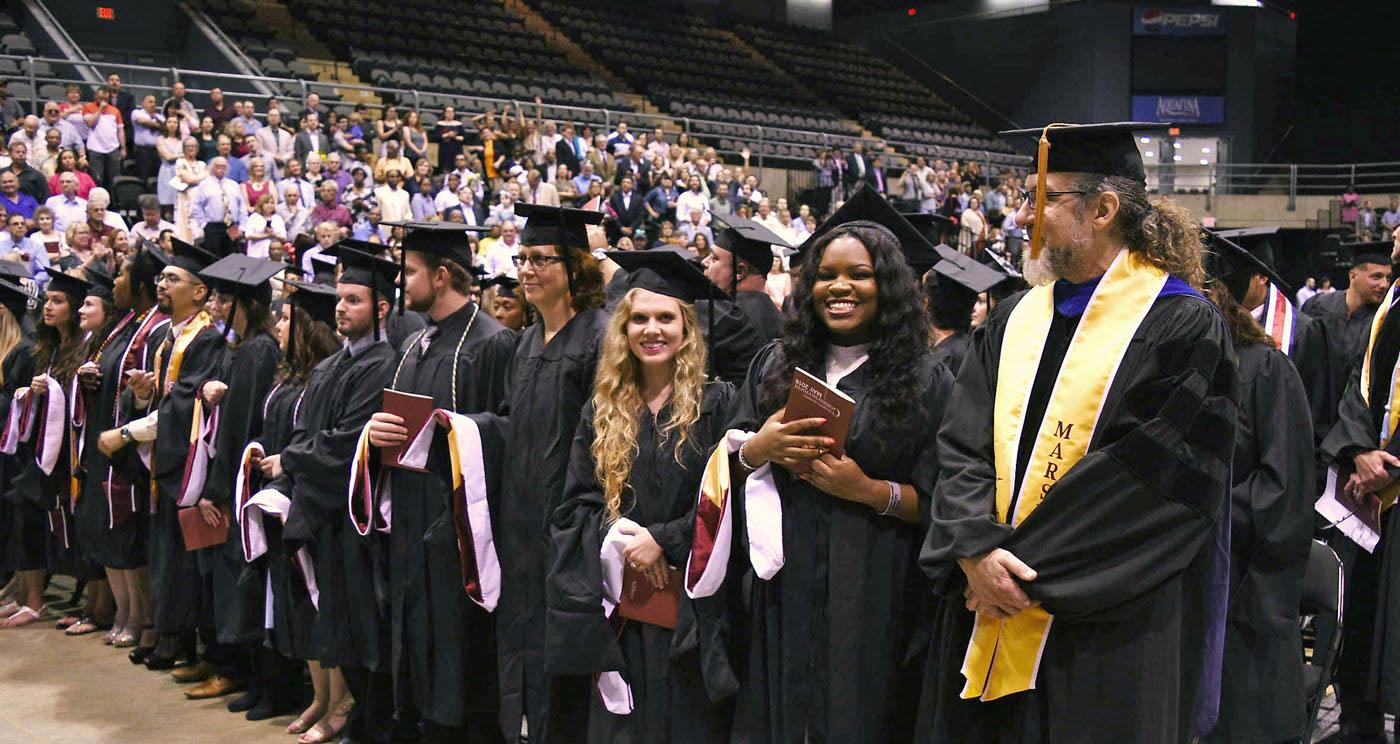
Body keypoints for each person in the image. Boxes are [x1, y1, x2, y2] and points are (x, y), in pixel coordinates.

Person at [919, 123, 1238, 744]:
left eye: (1042, 197)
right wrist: (974, 551)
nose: (1021, 216)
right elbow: (961, 445)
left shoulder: (1183, 326)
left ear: (1103, 209)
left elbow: (1155, 485)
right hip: (987, 596)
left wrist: (1014, 575)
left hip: (1105, 622)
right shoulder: (1017, 316)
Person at [547, 249, 738, 743]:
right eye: (639, 319)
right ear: (624, 330)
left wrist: (665, 539)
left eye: (665, 318)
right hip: (624, 605)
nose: (652, 330)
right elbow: (576, 502)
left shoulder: (717, 403)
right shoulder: (602, 409)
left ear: (687, 329)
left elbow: (730, 496)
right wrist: (620, 538)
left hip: (692, 607)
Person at [363, 222, 518, 741]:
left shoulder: (493, 343)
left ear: (444, 274)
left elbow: (509, 435)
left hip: (460, 535)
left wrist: (457, 433)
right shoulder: (415, 342)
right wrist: (374, 435)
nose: (402, 284)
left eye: (410, 273)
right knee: (416, 640)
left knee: (459, 651)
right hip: (410, 522)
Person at [490, 203, 611, 741]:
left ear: (574, 268)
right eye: (522, 258)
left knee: (562, 644)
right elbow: (514, 426)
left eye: (541, 259)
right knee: (522, 635)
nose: (527, 270)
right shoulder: (524, 343)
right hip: (521, 522)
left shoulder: (599, 337)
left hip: (570, 523)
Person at [275, 241, 398, 744]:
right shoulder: (329, 367)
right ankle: (346, 709)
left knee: (362, 626)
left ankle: (365, 719)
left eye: (354, 300)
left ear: (382, 308)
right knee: (332, 622)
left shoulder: (383, 365)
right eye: (340, 299)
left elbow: (348, 443)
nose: (341, 308)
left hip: (355, 517)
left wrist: (292, 459)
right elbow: (306, 436)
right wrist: (299, 456)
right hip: (321, 515)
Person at [1196, 232, 1313, 744]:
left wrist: (1210, 517)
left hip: (1243, 582)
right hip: (1186, 575)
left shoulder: (1266, 368)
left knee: (1242, 720)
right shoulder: (1185, 363)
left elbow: (1283, 488)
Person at [95, 238, 225, 670]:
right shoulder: (164, 339)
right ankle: (170, 632)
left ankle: (184, 640)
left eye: (173, 278)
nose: (162, 285)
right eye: (161, 278)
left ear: (200, 291)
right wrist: (141, 395)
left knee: (186, 560)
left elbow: (186, 405)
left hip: (191, 466)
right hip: (164, 462)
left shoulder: (206, 340)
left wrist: (127, 432)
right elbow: (165, 401)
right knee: (166, 554)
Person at [182, 255, 285, 702]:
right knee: (227, 582)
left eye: (226, 298)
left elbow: (241, 424)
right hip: (233, 479)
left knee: (241, 582)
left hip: (243, 485)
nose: (218, 306)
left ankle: (246, 672)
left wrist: (218, 488)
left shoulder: (258, 350)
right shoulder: (240, 348)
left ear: (248, 303)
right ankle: (236, 666)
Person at [239, 273, 341, 724]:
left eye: (286, 320)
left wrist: (289, 461)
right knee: (296, 603)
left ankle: (338, 701)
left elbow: (323, 441)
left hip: (314, 502)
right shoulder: (287, 377)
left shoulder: (324, 378)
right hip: (281, 498)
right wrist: (261, 452)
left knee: (321, 603)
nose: (278, 326)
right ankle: (318, 696)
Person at [73, 245, 168, 657]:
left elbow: (148, 391)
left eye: (121, 276)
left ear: (141, 285)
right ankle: (125, 613)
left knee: (128, 536)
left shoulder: (155, 330)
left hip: (130, 449)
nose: (114, 282)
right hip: (107, 440)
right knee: (109, 532)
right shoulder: (126, 325)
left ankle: (140, 617)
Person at [0, 278, 39, 628]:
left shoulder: (24, 351)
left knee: (12, 515)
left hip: (14, 451)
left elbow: (18, 404)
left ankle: (16, 581)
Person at [704, 213, 792, 340]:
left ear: (739, 272)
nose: (704, 262)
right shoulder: (783, 323)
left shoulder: (722, 319)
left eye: (714, 258)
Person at [173, 137, 207, 242]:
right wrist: (201, 178)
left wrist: (192, 180)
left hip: (200, 199)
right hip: (185, 198)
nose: (191, 148)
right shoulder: (180, 162)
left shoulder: (202, 164)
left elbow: (204, 181)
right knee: (184, 227)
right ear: (184, 149)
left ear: (197, 149)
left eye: (193, 146)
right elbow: (187, 179)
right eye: (188, 146)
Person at [243, 194, 286, 260]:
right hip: (256, 255)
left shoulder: (277, 218)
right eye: (266, 203)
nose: (270, 205)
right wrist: (267, 235)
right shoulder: (254, 217)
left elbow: (284, 237)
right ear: (261, 204)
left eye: (272, 203)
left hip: (273, 257)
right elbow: (248, 235)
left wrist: (274, 234)